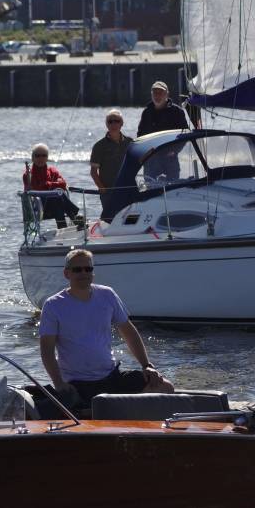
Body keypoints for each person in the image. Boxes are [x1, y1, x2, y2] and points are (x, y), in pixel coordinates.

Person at [39, 249, 174, 412]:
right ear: (66, 273)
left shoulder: (107, 295)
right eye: (77, 269)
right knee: (87, 408)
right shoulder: (53, 305)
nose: (84, 273)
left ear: (93, 273)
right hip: (77, 383)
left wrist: (147, 365)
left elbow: (128, 332)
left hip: (111, 377)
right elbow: (47, 350)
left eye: (88, 269)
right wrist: (59, 383)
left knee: (166, 388)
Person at [137, 81, 189, 182]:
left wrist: (174, 150)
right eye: (155, 93)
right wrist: (144, 154)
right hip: (151, 160)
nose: (157, 95)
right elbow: (140, 135)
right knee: (150, 191)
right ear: (151, 95)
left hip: (170, 158)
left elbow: (184, 135)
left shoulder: (177, 112)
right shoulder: (146, 112)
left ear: (167, 94)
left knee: (173, 190)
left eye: (160, 93)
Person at [23, 143, 79, 228]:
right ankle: (74, 216)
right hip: (40, 207)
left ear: (47, 157)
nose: (41, 158)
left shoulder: (53, 171)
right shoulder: (28, 175)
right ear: (33, 158)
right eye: (37, 155)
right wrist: (53, 187)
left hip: (55, 204)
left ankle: (63, 227)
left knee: (57, 196)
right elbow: (38, 189)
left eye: (44, 155)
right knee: (57, 194)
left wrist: (49, 184)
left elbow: (63, 184)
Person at [89, 109, 133, 220]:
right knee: (110, 221)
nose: (113, 124)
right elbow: (93, 172)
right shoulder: (99, 146)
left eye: (116, 121)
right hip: (108, 191)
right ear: (106, 124)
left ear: (122, 123)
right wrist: (102, 188)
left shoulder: (130, 142)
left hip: (129, 189)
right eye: (110, 121)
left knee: (131, 220)